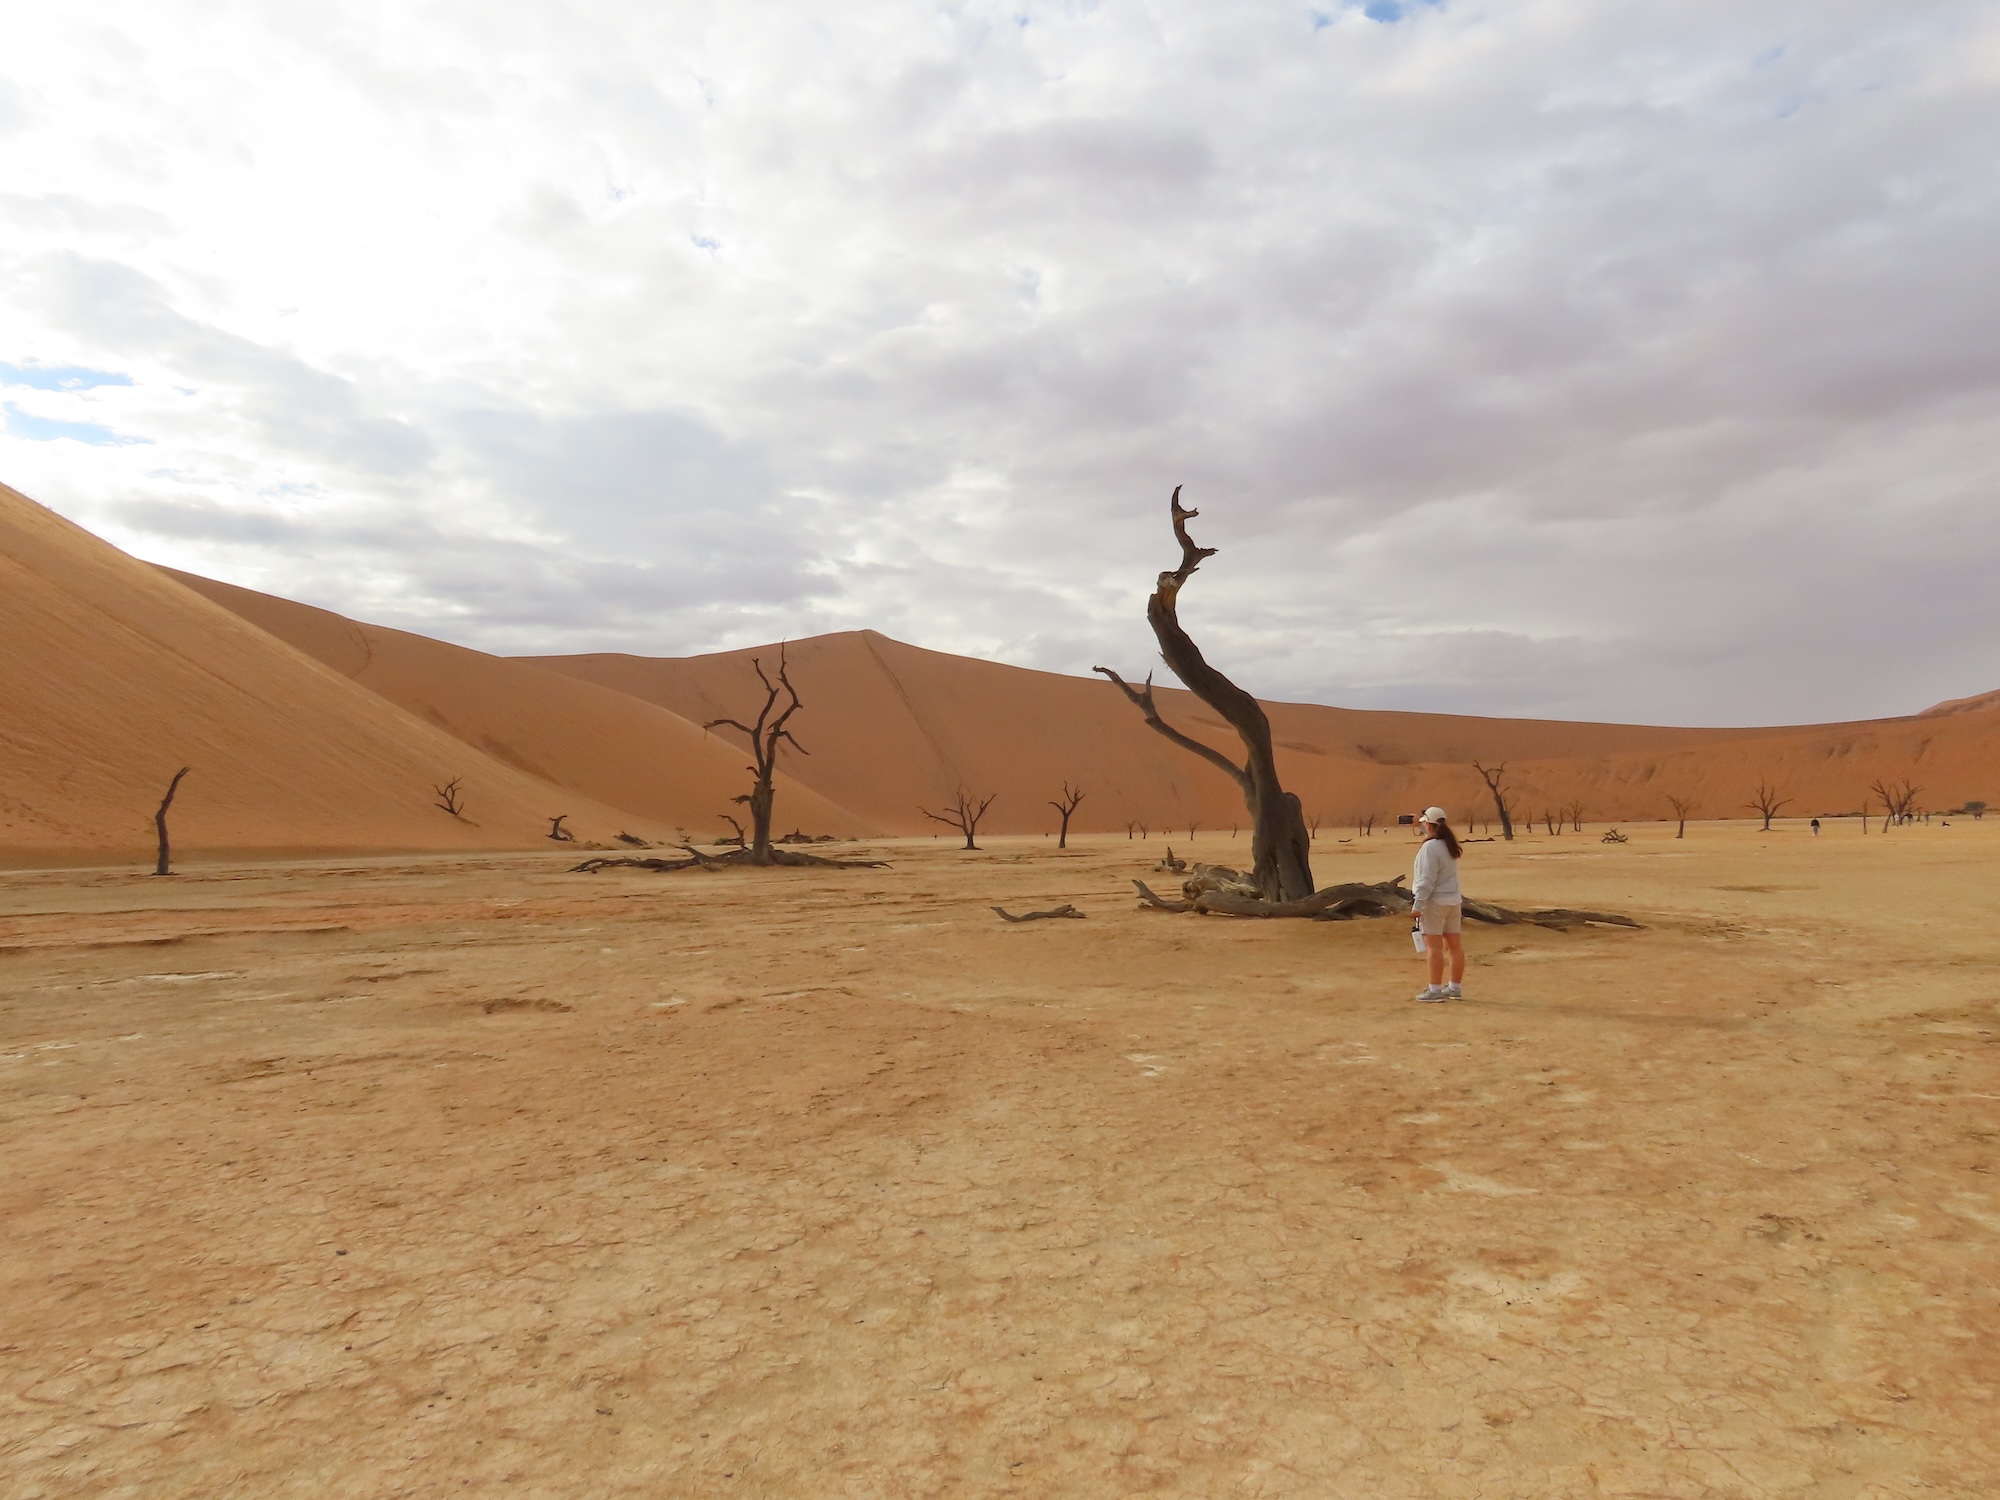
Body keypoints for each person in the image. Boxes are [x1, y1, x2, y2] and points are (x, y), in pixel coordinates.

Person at [1411, 806, 1465, 1002]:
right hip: (1452, 900)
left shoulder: (1430, 847)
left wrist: (1418, 905)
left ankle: (1434, 990)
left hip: (1434, 902)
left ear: (1428, 824)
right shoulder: (1448, 845)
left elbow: (1426, 880)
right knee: (1455, 946)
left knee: (1434, 947)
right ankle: (1454, 987)